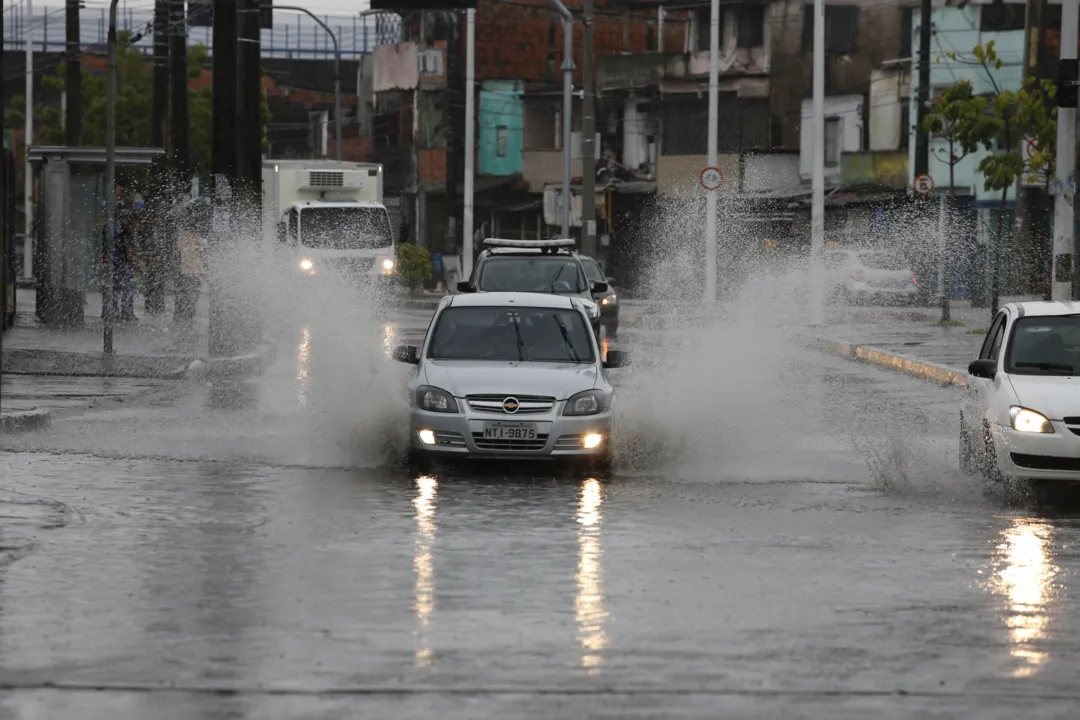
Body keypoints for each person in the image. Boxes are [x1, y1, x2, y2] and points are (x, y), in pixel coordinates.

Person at [174, 202, 206, 330]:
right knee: (190, 298)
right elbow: (201, 254)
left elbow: (178, 252)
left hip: (187, 272)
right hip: (191, 272)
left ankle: (185, 319)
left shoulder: (182, 236)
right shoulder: (196, 237)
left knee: (186, 297)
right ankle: (187, 320)